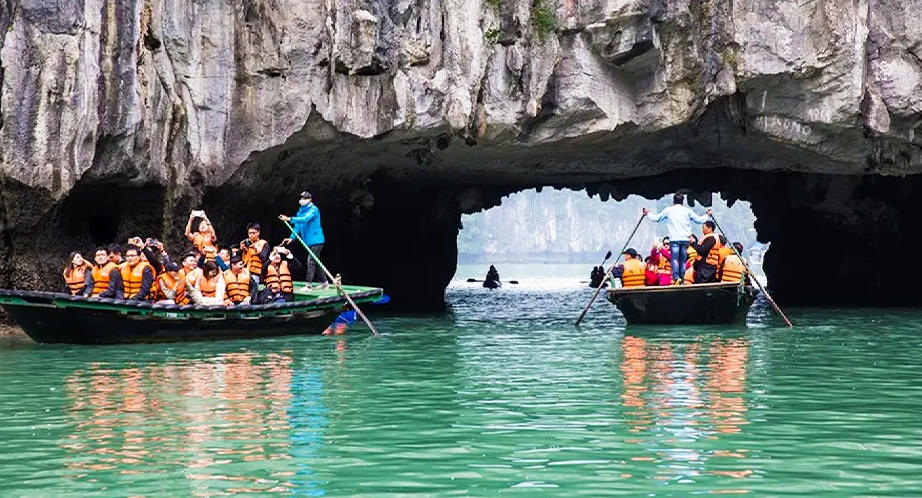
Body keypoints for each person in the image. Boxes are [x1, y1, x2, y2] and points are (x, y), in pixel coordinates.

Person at [643, 193, 712, 284]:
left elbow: (656, 218)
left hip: (674, 239)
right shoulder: (687, 211)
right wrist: (707, 215)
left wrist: (648, 213)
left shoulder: (668, 210)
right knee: (683, 260)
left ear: (673, 201)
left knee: (674, 259)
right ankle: (682, 277)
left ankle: (676, 278)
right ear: (683, 201)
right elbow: (699, 220)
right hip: (684, 239)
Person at [279, 191, 328, 288]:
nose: (301, 200)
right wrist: (291, 238)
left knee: (311, 261)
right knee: (316, 261)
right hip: (308, 241)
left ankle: (308, 285)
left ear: (309, 200)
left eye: (304, 198)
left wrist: (289, 219)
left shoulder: (313, 210)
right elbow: (297, 226)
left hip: (317, 240)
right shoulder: (300, 212)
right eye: (300, 198)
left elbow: (305, 219)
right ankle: (324, 283)